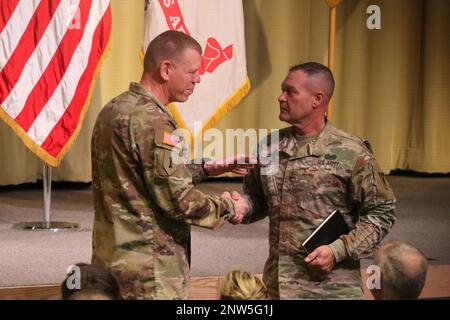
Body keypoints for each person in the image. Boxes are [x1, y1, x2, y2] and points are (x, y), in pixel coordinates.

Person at [91, 30, 249, 300]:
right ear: (166, 69)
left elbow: (141, 178)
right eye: (192, 72)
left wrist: (207, 168)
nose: (198, 79)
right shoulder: (155, 122)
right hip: (150, 273)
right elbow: (179, 202)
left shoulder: (115, 108)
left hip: (111, 261)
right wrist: (230, 207)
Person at [224, 62, 396, 299]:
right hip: (278, 287)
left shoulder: (351, 151)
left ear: (317, 99)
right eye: (282, 90)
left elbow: (381, 212)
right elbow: (260, 199)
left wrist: (337, 250)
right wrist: (243, 206)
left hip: (330, 289)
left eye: (290, 91)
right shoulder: (270, 146)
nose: (280, 97)